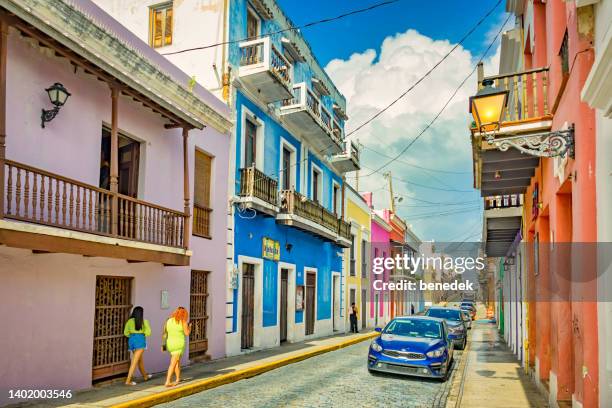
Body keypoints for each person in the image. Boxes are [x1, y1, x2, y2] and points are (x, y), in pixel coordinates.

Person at [162, 307, 192, 387]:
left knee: (177, 362)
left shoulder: (169, 320)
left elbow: (165, 331)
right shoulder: (183, 321)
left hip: (170, 344)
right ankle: (167, 381)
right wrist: (190, 327)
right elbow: (186, 333)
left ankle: (178, 378)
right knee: (173, 363)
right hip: (178, 344)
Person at [123, 306, 152, 385]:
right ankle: (128, 381)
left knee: (139, 360)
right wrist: (142, 334)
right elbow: (148, 333)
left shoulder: (129, 321)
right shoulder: (144, 321)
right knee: (135, 362)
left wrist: (132, 335)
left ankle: (145, 376)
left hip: (132, 340)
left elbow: (126, 333)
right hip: (140, 340)